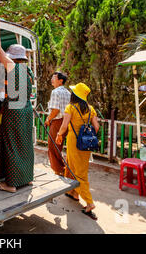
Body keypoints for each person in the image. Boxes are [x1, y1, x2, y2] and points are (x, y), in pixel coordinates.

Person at [0, 18, 35, 193]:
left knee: (11, 146)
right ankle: (26, 178)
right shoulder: (28, 71)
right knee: (25, 145)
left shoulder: (11, 66)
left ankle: (10, 184)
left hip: (14, 112)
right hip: (26, 111)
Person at [55, 83, 100, 220]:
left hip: (74, 142)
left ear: (75, 95)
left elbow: (64, 126)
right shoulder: (91, 109)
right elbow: (96, 127)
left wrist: (59, 135)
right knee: (72, 165)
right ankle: (73, 193)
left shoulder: (71, 107)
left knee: (79, 173)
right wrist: (86, 135)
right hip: (86, 144)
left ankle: (89, 203)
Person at [44, 72, 71, 176]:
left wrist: (48, 119)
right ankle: (62, 168)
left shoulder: (55, 92)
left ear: (61, 81)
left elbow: (55, 110)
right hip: (65, 121)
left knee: (53, 146)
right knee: (59, 145)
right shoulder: (68, 93)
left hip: (57, 121)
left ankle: (59, 169)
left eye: (54, 78)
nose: (51, 79)